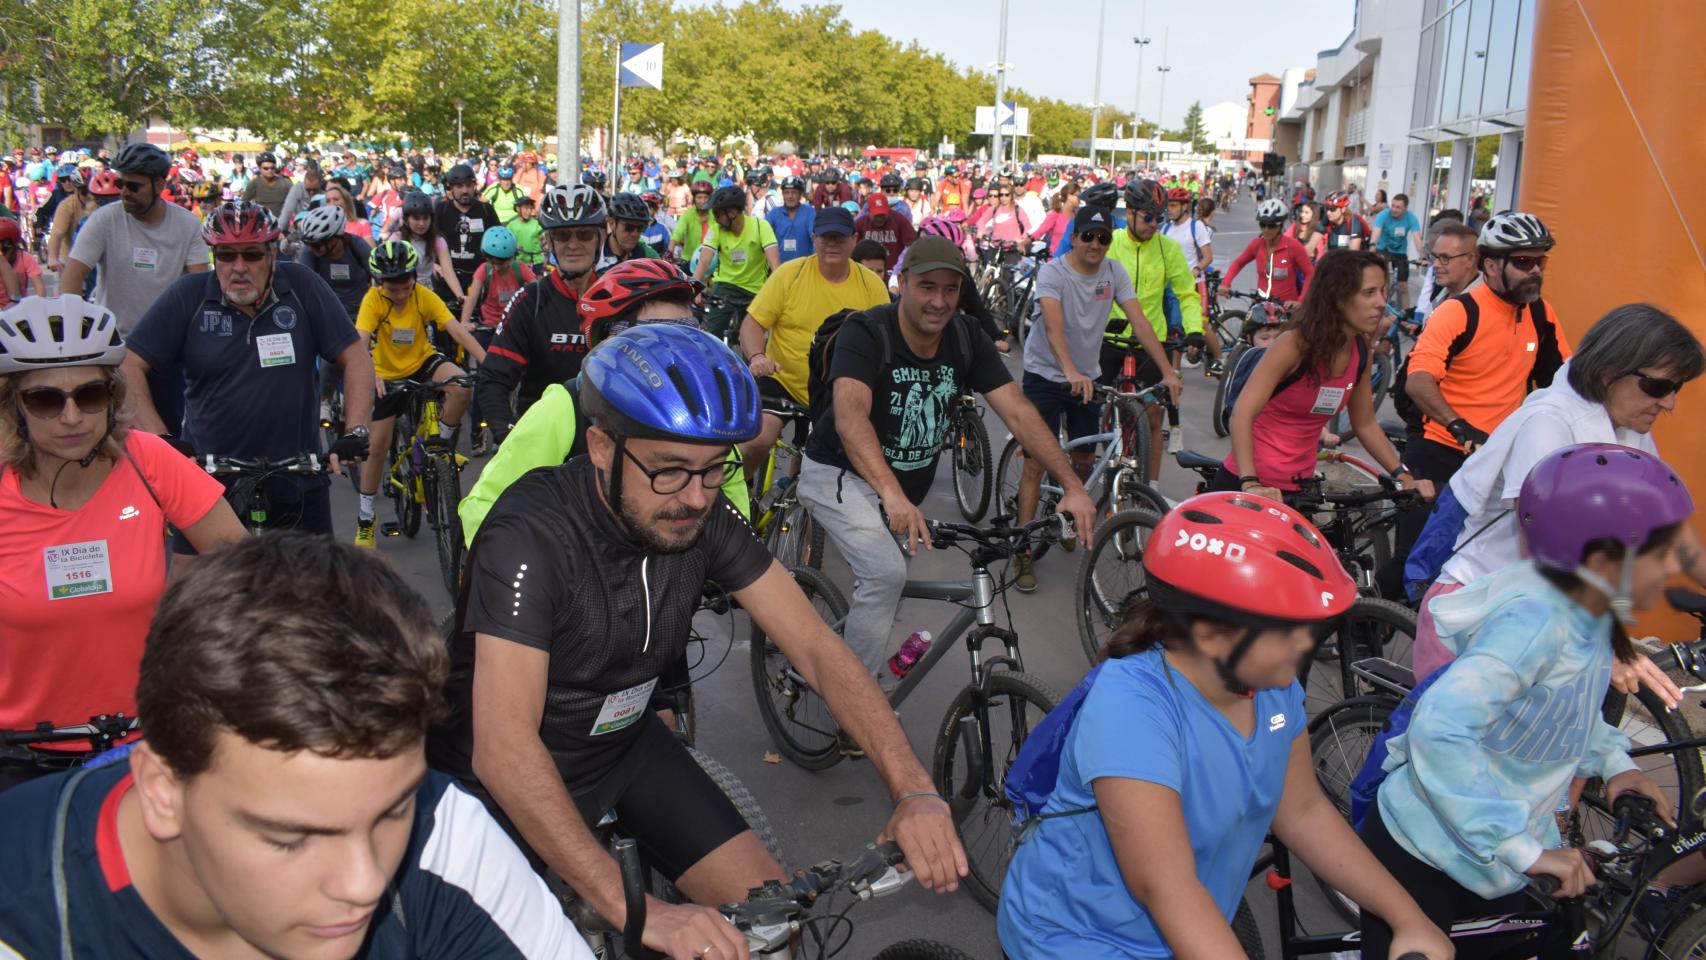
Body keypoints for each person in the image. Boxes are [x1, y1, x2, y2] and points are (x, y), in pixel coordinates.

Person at [429, 325, 966, 960]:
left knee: (773, 934)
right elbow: (503, 746)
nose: (694, 497)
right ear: (601, 447)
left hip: (623, 751)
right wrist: (644, 913)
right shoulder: (529, 533)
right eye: (669, 471)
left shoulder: (703, 512)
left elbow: (817, 647)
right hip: (494, 785)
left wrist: (914, 789)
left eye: (715, 470)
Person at [0, 532, 593, 957]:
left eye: (393, 810)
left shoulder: (447, 837)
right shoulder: (22, 901)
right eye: (290, 838)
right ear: (162, 789)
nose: (363, 883)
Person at [998, 492, 1453, 960]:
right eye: (1289, 631)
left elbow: (1302, 811)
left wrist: (1408, 916)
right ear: (1210, 634)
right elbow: (1166, 885)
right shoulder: (1131, 708)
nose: (1306, 647)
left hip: (1187, 929)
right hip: (1078, 941)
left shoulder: (1272, 687)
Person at [1361, 442, 1686, 960]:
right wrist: (1524, 850)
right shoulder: (1535, 626)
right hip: (1429, 853)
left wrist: (1614, 764)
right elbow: (1440, 730)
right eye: (1662, 551)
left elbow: (1565, 711)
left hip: (1492, 850)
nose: (1674, 567)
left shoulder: (1589, 614)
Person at [798, 235, 1100, 680]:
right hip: (838, 474)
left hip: (896, 490)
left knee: (886, 587)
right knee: (884, 575)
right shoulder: (867, 332)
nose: (939, 301)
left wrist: (1072, 487)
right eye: (927, 287)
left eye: (950, 289)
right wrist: (893, 496)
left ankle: (844, 654)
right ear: (902, 283)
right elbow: (851, 419)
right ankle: (854, 706)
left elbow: (1017, 412)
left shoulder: (963, 337)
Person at [0, 295, 245, 793]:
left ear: (112, 398)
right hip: (20, 757)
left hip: (147, 743)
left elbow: (249, 569)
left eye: (89, 395)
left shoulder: (147, 461)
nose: (71, 417)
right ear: (14, 406)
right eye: (45, 400)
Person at [1409, 304, 1706, 686]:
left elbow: (1667, 531)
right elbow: (1542, 553)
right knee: (1452, 742)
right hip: (1480, 612)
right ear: (1609, 371)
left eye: (1676, 387)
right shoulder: (1549, 424)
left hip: (1541, 616)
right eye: (1658, 386)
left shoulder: (1630, 427)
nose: (1669, 403)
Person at [120, 202, 376, 541]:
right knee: (196, 583)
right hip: (208, 480)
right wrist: (162, 442)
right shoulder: (188, 296)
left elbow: (356, 357)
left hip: (297, 474)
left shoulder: (301, 285)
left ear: (272, 254)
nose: (239, 267)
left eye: (252, 255)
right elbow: (129, 364)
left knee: (318, 586)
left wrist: (356, 430)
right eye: (226, 256)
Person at [459, 258, 747, 541]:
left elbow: (734, 516)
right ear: (606, 343)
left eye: (687, 335)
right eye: (652, 340)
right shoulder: (567, 406)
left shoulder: (703, 412)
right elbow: (487, 506)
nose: (673, 354)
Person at [1015, 206, 1179, 592]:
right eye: (1088, 236)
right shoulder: (1054, 272)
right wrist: (1070, 370)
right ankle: (1022, 551)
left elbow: (1140, 322)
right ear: (1074, 237)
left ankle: (1066, 510)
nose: (1096, 244)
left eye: (1103, 238)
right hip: (1046, 374)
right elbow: (1053, 327)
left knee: (1084, 461)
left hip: (1086, 379)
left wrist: (1168, 371)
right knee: (1037, 464)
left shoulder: (1113, 272)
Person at [1399, 211, 1571, 568]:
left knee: (1477, 565)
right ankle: (1367, 617)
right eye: (1524, 262)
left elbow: (1564, 382)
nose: (1536, 270)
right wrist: (1457, 424)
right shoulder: (1459, 312)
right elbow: (1419, 380)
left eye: (1541, 261)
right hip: (1441, 449)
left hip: (1496, 459)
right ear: (1491, 265)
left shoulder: (1540, 313)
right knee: (1413, 562)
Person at [1219, 250, 1428, 501]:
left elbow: (1365, 424)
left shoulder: (1360, 351)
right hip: (1249, 483)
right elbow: (1242, 414)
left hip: (1300, 487)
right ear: (1337, 297)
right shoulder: (1293, 345)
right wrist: (1250, 482)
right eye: (1369, 293)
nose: (1381, 302)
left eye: (1382, 291)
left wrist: (1402, 474)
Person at [737, 206, 890, 474]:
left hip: (838, 390)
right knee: (756, 441)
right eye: (825, 236)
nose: (832, 243)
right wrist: (758, 357)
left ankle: (798, 502)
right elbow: (752, 323)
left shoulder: (871, 284)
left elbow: (887, 340)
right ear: (814, 238)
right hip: (782, 381)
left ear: (854, 240)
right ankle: (740, 495)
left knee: (819, 465)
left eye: (840, 237)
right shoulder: (789, 274)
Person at [352, 241, 484, 547]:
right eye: (392, 289)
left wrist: (489, 362)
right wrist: (370, 373)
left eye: (405, 287)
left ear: (414, 278)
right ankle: (365, 519)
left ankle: (438, 445)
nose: (399, 295)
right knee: (377, 446)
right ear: (379, 283)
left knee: (463, 384)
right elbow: (360, 340)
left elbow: (455, 329)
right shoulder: (373, 300)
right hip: (385, 373)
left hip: (422, 361)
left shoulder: (423, 295)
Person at [475, 184, 605, 444]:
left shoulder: (617, 298)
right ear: (549, 241)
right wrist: (510, 437)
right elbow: (493, 380)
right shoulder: (529, 300)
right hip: (543, 445)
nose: (573, 244)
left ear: (600, 238)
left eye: (584, 234)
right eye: (562, 235)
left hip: (604, 444)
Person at [1103, 180, 1205, 480]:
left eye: (1159, 217)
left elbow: (1187, 293)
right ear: (1130, 213)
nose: (1154, 224)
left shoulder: (1167, 248)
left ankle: (1152, 487)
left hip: (1151, 340)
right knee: (1087, 402)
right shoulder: (1112, 242)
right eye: (1148, 217)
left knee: (1152, 417)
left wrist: (1194, 329)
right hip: (1111, 336)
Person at [59, 144, 210, 337]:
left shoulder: (188, 225)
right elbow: (72, 276)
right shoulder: (104, 219)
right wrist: (76, 331)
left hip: (169, 343)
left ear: (159, 185)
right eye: (121, 184)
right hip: (112, 339)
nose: (124, 192)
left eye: (133, 186)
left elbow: (198, 287)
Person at [693, 185, 779, 342]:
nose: (714, 218)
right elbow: (704, 259)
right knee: (713, 333)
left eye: (717, 214)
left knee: (754, 339)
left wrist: (778, 292)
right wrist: (694, 287)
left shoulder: (761, 227)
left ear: (732, 213)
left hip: (755, 291)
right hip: (724, 288)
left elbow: (775, 265)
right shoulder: (716, 229)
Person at [1160, 186, 1222, 372]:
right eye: (1168, 205)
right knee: (1176, 326)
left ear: (1185, 206)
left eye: (1173, 205)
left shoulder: (1196, 227)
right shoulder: (1165, 228)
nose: (1169, 209)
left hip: (1195, 284)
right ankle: (1175, 370)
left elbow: (1207, 256)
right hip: (1173, 286)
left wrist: (1196, 269)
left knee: (1200, 322)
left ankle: (1220, 359)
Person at [1223, 198, 1313, 307]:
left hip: (1286, 307)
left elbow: (1310, 274)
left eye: (1271, 225)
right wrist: (1225, 283)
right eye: (1262, 224)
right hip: (1261, 305)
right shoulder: (1257, 244)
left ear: (1280, 226)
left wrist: (1300, 301)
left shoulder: (1293, 246)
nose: (1266, 229)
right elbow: (1238, 263)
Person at [433, 164, 500, 311]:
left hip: (479, 280)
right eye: (459, 186)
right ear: (451, 188)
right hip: (446, 281)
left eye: (469, 185)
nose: (464, 190)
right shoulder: (440, 210)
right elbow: (427, 241)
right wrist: (433, 264)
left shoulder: (486, 210)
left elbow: (498, 241)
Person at [294, 202, 372, 324]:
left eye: (317, 245)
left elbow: (379, 277)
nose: (311, 249)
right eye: (308, 244)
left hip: (361, 314)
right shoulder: (309, 252)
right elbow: (302, 285)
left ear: (335, 238)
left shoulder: (357, 245)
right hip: (327, 314)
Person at [387, 191, 462, 300]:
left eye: (425, 218)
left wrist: (460, 296)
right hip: (401, 294)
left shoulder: (438, 240)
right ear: (406, 220)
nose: (421, 223)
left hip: (426, 295)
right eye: (416, 218)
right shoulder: (396, 239)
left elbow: (447, 270)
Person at [1371, 193, 1423, 309]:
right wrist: (1372, 250)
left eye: (1398, 207)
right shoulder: (1383, 215)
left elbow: (1417, 239)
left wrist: (1422, 256)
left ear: (1405, 208)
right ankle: (1378, 307)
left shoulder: (1411, 218)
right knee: (1382, 282)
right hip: (1382, 249)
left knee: (1403, 285)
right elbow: (1375, 236)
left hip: (1400, 252)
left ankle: (1405, 313)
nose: (1394, 209)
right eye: (1393, 206)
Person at [852, 191, 916, 275]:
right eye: (876, 215)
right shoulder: (861, 223)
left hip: (894, 274)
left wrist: (900, 268)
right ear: (869, 212)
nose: (879, 218)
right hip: (866, 274)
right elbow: (851, 247)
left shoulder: (899, 220)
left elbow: (913, 244)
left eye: (882, 215)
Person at [597, 192, 663, 272]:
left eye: (640, 228)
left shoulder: (649, 256)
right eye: (629, 227)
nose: (635, 233)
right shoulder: (595, 258)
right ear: (611, 222)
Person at [766, 175, 816, 264]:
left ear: (800, 194)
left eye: (794, 192)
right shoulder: (774, 213)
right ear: (783, 194)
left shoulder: (809, 211)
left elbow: (815, 237)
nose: (790, 196)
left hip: (804, 267)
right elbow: (764, 239)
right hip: (780, 268)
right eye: (786, 192)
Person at [0, 219, 43, 308]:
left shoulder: (25, 257)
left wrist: (39, 307)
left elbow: (40, 288)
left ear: (8, 244)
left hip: (18, 308)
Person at [670, 180, 714, 263]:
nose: (703, 201)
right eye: (699, 197)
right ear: (694, 199)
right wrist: (669, 251)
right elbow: (677, 234)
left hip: (711, 260)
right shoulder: (688, 215)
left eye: (705, 197)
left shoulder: (715, 215)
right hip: (689, 259)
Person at [239, 151, 292, 217]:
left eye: (272, 168)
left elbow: (297, 201)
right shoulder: (254, 183)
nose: (270, 171)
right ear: (259, 168)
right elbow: (243, 203)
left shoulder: (285, 183)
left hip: (281, 222)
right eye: (266, 168)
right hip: (260, 222)